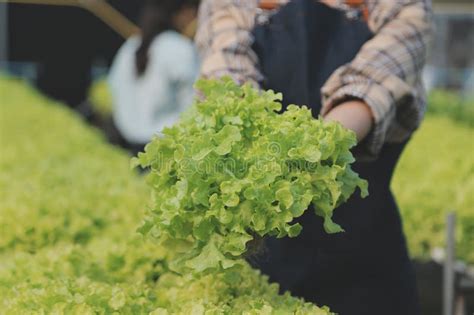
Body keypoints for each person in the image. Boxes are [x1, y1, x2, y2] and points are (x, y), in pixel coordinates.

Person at [195, 0, 432, 314]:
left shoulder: (398, 5)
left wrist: (305, 155)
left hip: (365, 262)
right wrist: (251, 158)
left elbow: (371, 84)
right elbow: (227, 80)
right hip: (263, 261)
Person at [109, 0, 200, 155]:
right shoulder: (179, 48)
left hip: (131, 147)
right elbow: (194, 103)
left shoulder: (130, 45)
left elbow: (113, 88)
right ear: (183, 11)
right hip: (168, 150)